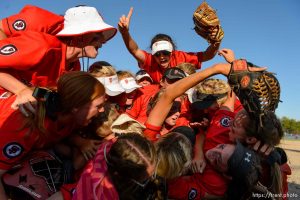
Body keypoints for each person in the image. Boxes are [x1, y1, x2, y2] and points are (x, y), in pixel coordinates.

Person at [0, 71, 106, 199]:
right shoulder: (27, 122)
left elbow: (60, 134)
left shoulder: (69, 116)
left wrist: (80, 142)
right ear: (76, 106)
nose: (102, 110)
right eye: (99, 106)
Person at [0, 5, 117, 110]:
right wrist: (21, 90)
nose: (104, 41)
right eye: (97, 36)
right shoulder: (42, 45)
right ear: (80, 36)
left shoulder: (75, 67)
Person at [118, 7, 221, 83]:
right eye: (157, 54)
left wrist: (216, 41)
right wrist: (125, 33)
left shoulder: (181, 57)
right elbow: (134, 50)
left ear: (172, 52)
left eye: (165, 53)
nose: (162, 57)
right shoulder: (150, 61)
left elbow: (207, 56)